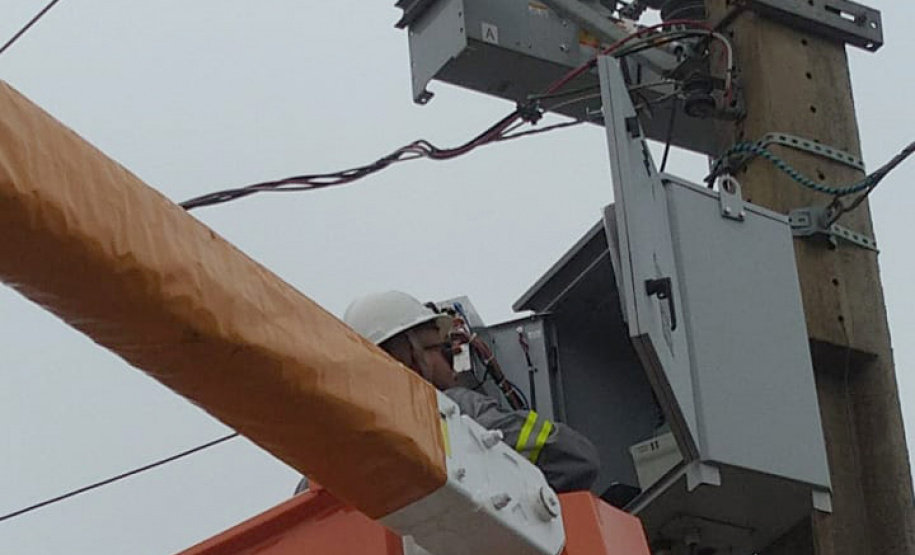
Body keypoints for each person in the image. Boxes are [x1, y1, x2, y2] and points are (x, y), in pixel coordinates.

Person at [335, 290, 600, 493]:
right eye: (442, 349)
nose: (453, 364)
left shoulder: (325, 463)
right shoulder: (453, 409)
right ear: (412, 358)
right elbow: (575, 458)